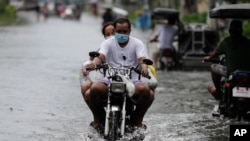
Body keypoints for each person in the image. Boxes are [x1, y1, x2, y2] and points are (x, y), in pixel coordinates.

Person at [84, 18, 155, 131]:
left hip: (132, 80)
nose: (121, 34)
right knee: (95, 89)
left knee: (145, 90)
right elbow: (100, 56)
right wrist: (94, 64)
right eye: (119, 31)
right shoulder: (108, 42)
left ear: (130, 31)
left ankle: (137, 121)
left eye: (124, 31)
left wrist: (144, 68)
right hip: (111, 79)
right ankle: (98, 120)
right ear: (115, 30)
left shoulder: (138, 43)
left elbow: (142, 59)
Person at [203, 20, 250, 100]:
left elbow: (214, 54)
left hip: (232, 74)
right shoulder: (248, 42)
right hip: (248, 74)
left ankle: (218, 92)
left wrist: (208, 58)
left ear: (230, 31)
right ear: (241, 31)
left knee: (213, 67)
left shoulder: (226, 42)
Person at [80, 22, 115, 104]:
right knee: (86, 88)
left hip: (125, 77)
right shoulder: (104, 46)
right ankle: (98, 114)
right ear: (105, 36)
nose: (111, 36)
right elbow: (97, 57)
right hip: (106, 76)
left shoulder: (130, 44)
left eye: (113, 33)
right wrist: (91, 65)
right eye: (108, 34)